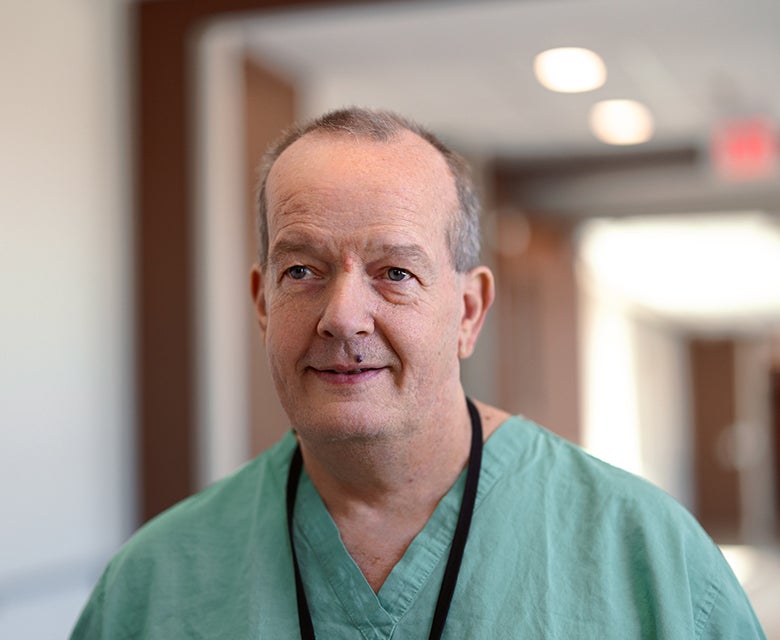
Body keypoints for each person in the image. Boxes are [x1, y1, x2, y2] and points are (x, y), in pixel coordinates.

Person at [71, 107, 765, 639]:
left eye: (395, 273)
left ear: (469, 310)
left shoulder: (648, 559)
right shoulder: (153, 586)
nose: (343, 317)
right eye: (302, 270)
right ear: (262, 304)